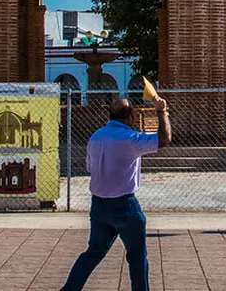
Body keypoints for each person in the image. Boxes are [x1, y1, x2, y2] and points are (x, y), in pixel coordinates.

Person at [61, 95, 171, 291]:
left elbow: (89, 167)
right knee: (137, 256)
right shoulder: (131, 139)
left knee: (93, 252)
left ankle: (69, 289)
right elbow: (164, 139)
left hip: (99, 205)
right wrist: (161, 111)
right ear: (130, 116)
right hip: (124, 205)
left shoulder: (95, 137)